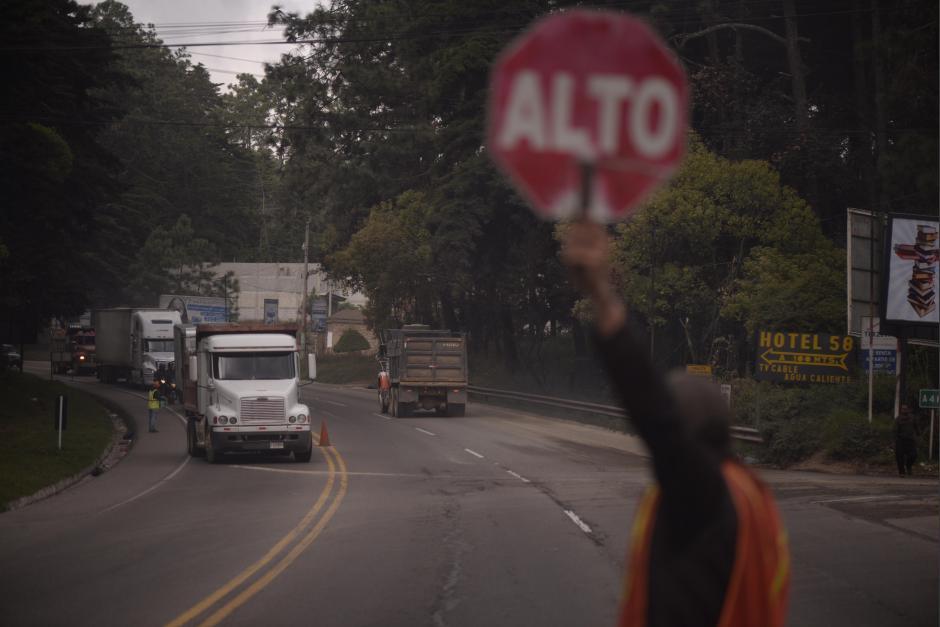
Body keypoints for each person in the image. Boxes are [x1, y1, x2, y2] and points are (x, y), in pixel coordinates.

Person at [561, 220, 789, 627]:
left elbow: (654, 414)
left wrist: (601, 295)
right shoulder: (750, 493)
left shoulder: (699, 491)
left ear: (685, 436)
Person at [895, 404, 918, 476]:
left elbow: (916, 427)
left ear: (908, 410)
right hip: (900, 440)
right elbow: (894, 430)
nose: (904, 410)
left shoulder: (912, 418)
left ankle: (908, 466)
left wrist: (918, 435)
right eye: (903, 409)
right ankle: (902, 472)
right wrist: (893, 441)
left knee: (913, 455)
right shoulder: (898, 419)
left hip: (910, 440)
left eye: (905, 409)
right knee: (899, 456)